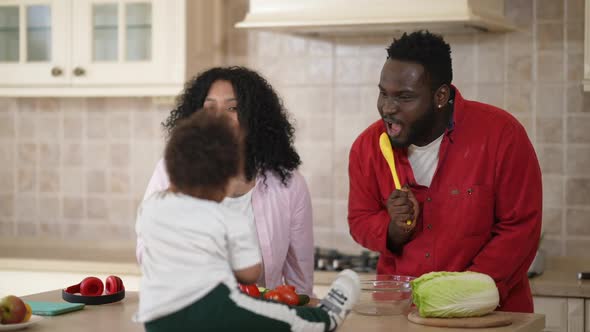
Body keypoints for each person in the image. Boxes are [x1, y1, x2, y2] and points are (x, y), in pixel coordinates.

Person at [347, 30, 542, 313]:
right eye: (383, 93)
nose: (387, 108)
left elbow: (520, 229)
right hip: (402, 314)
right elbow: (359, 220)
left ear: (440, 95)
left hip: (490, 314)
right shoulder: (367, 147)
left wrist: (462, 295)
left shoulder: (502, 136)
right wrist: (393, 229)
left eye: (404, 97)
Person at [134, 111, 360, 332]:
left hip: (157, 318)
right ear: (224, 182)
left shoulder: (151, 208)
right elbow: (250, 274)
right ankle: (327, 316)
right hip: (215, 313)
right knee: (281, 316)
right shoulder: (227, 217)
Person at [137, 66, 314, 295]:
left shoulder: (289, 183)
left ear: (255, 118)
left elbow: (300, 285)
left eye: (233, 108)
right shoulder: (171, 170)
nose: (220, 117)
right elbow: (147, 254)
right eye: (210, 107)